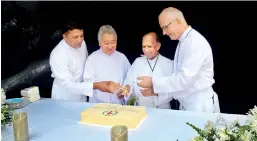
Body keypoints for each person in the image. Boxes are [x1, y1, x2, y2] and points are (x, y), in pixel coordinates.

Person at [137, 7, 220, 113]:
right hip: (189, 104)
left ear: (178, 21)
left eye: (165, 27)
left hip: (199, 105)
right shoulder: (183, 41)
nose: (164, 32)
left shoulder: (195, 42)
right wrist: (156, 91)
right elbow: (179, 79)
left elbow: (184, 80)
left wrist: (153, 82)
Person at [49, 22, 119, 101]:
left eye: (81, 36)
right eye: (75, 37)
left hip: (82, 94)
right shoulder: (58, 54)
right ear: (65, 36)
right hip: (65, 96)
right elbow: (67, 84)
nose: (79, 40)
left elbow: (87, 66)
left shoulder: (82, 44)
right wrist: (96, 85)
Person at [121, 32, 174, 109]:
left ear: (158, 46)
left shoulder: (168, 64)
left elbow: (172, 89)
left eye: (149, 46)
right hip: (140, 108)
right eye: (143, 47)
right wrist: (127, 88)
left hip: (161, 108)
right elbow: (129, 81)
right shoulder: (138, 62)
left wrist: (155, 92)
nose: (146, 50)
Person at [83, 25, 131, 104]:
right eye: (106, 43)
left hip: (118, 104)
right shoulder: (92, 58)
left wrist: (125, 90)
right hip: (98, 104)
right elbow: (88, 83)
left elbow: (130, 79)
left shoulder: (122, 58)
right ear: (99, 42)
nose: (110, 46)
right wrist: (105, 86)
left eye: (113, 42)